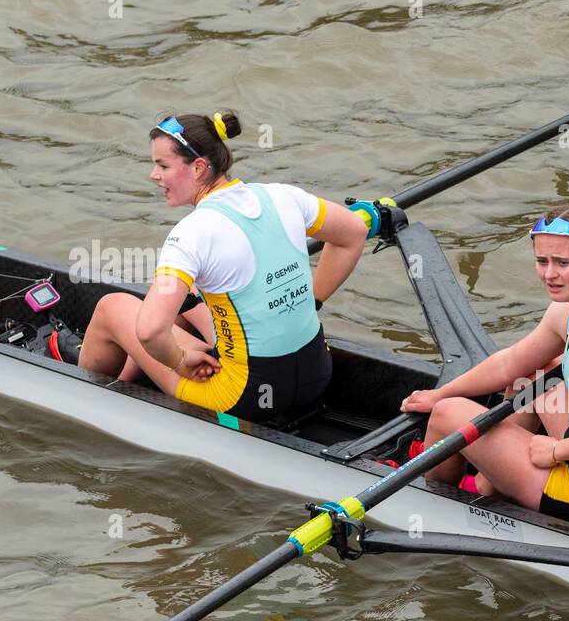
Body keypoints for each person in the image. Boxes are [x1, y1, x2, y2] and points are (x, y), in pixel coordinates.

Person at [78, 111, 381, 423]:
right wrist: (310, 301)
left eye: (163, 166)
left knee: (111, 308)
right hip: (317, 375)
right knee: (187, 296)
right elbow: (354, 234)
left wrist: (180, 361)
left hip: (245, 398)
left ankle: (81, 397)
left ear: (198, 168)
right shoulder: (282, 195)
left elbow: (150, 330)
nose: (153, 175)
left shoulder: (192, 232)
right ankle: (128, 380)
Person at [401, 205, 569, 528]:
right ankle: (491, 484)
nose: (549, 274)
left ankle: (438, 497)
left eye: (562, 263)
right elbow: (510, 362)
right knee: (530, 377)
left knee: (447, 415)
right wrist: (440, 391)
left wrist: (557, 451)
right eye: (542, 261)